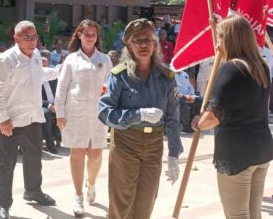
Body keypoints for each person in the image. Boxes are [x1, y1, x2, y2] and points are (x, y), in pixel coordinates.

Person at [99, 18, 182, 219]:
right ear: (129, 44)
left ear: (155, 43)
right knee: (122, 201)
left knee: (147, 200)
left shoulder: (167, 77)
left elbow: (173, 118)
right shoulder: (119, 76)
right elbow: (104, 112)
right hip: (126, 141)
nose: (143, 45)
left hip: (154, 144)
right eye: (137, 40)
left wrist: (173, 153)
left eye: (148, 39)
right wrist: (138, 115)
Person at [191, 15, 273, 219]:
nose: (217, 45)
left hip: (237, 153)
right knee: (254, 215)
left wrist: (198, 124)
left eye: (219, 38)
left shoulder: (231, 69)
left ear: (229, 39)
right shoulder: (260, 66)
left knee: (237, 215)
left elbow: (213, 116)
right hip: (261, 148)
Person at [0, 20, 59, 219]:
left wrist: (58, 71)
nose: (32, 42)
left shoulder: (36, 55)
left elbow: (38, 75)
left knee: (34, 158)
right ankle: (3, 204)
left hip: (32, 118)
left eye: (34, 37)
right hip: (10, 120)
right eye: (26, 38)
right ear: (16, 38)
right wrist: (3, 118)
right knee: (5, 163)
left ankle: (33, 191)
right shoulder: (6, 59)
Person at [55, 19, 112, 217]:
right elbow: (62, 87)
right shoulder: (71, 59)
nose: (90, 37)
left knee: (95, 155)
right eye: (86, 33)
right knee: (77, 154)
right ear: (78, 35)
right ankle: (78, 195)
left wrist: (111, 113)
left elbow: (111, 88)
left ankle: (92, 184)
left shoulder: (104, 60)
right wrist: (60, 113)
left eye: (93, 34)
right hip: (75, 113)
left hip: (98, 114)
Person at [41, 56, 61, 154]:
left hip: (55, 103)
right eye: (43, 66)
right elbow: (35, 97)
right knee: (46, 114)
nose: (45, 69)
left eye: (46, 66)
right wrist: (49, 105)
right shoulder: (35, 79)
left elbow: (59, 92)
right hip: (41, 105)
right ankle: (50, 145)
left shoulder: (54, 78)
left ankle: (60, 137)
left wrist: (58, 104)